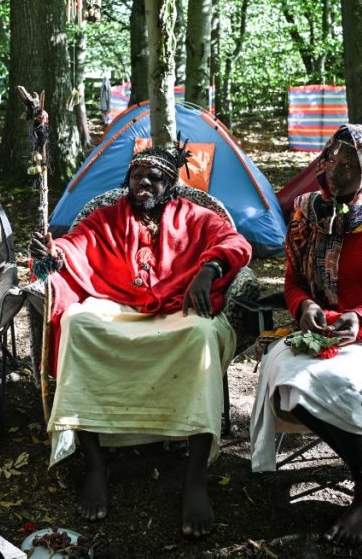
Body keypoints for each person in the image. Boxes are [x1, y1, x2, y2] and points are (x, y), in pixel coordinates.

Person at [30, 146, 252, 538]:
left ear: (170, 185)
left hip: (176, 309)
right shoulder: (107, 218)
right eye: (137, 176)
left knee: (202, 334)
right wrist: (54, 253)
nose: (144, 183)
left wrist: (209, 268)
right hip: (116, 305)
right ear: (127, 180)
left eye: (155, 178)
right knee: (77, 324)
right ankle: (96, 463)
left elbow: (236, 243)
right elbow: (75, 245)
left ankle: (195, 477)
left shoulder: (197, 217)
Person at [249, 124, 362, 544]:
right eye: (333, 159)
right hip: (322, 328)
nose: (338, 171)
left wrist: (361, 317)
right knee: (280, 380)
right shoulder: (308, 212)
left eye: (352, 164)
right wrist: (304, 306)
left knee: (320, 381)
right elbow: (293, 282)